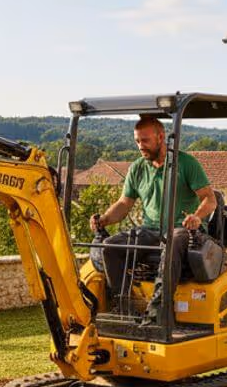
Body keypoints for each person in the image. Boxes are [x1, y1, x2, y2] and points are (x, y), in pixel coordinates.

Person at [90, 116, 217, 324]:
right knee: (109, 246)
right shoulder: (137, 168)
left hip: (183, 230)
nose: (141, 146)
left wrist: (197, 216)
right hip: (150, 231)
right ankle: (124, 308)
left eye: (145, 140)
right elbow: (124, 204)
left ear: (161, 137)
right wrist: (104, 219)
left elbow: (209, 200)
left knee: (173, 239)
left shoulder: (186, 164)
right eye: (137, 141)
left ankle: (159, 311)